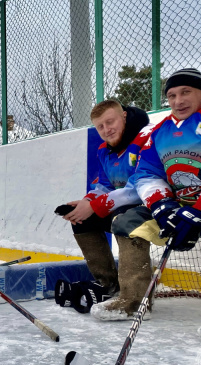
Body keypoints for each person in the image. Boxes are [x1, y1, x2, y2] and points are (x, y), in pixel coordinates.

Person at [91, 68, 201, 344]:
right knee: (128, 223)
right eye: (172, 95)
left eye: (186, 92)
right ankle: (133, 300)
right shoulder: (160, 131)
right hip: (183, 203)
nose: (178, 101)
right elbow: (146, 174)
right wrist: (161, 204)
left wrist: (200, 208)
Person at [54, 100, 151, 312]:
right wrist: (86, 202)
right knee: (82, 219)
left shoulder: (146, 139)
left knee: (125, 219)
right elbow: (104, 185)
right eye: (100, 126)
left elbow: (140, 188)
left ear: (124, 116)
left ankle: (135, 300)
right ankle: (108, 284)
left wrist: (96, 205)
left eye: (110, 122)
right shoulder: (104, 151)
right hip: (124, 208)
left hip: (155, 206)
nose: (106, 130)